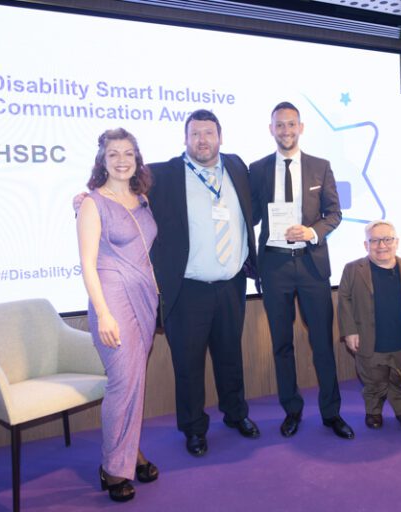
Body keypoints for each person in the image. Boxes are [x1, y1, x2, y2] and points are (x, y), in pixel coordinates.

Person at [148, 109, 260, 456]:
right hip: (188, 289)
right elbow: (123, 195)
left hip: (231, 284)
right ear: (185, 138)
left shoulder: (237, 166)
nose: (202, 140)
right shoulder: (163, 174)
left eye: (208, 133)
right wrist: (87, 200)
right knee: (189, 364)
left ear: (220, 136)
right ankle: (194, 429)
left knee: (230, 357)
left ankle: (235, 414)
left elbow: (253, 211)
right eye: (195, 134)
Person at [249, 101, 354, 439]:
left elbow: (334, 213)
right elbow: (248, 215)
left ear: (301, 127)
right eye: (279, 125)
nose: (286, 131)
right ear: (271, 129)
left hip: (311, 266)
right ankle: (291, 411)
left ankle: (331, 413)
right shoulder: (258, 169)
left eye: (291, 124)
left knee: (322, 342)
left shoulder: (320, 167)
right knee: (282, 345)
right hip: (275, 266)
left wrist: (311, 232)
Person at [76, 128, 159, 502]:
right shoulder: (92, 203)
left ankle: (130, 453)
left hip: (144, 296)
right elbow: (87, 265)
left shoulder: (141, 198)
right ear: (103, 160)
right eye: (114, 154)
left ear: (136, 158)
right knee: (123, 382)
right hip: (112, 297)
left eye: (128, 153)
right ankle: (112, 468)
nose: (122, 160)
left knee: (136, 381)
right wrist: (104, 314)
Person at [337, 220, 401, 431]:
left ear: (396, 242)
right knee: (373, 381)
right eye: (375, 241)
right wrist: (349, 331)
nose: (381, 246)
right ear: (366, 245)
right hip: (369, 339)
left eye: (387, 239)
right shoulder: (352, 269)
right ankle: (374, 412)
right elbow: (344, 300)